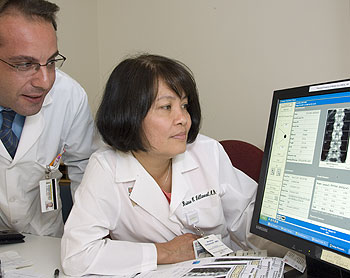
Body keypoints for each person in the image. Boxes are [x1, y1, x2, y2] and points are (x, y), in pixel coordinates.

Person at [61, 54, 273, 276]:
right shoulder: (106, 168)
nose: (183, 118)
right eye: (166, 107)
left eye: (184, 105)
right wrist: (163, 252)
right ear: (129, 114)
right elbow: (77, 256)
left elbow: (248, 220)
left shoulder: (207, 151)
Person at [0, 0, 97, 237]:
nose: (45, 82)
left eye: (51, 62)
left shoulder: (68, 96)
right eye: (25, 64)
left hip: (46, 242)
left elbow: (86, 171)